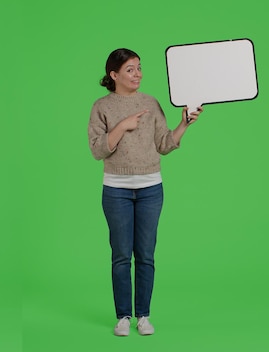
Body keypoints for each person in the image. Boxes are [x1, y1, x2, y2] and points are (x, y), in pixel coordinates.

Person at [88, 48, 202, 337]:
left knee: (146, 255)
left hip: (151, 188)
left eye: (139, 68)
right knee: (121, 255)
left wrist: (185, 122)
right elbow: (97, 149)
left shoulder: (151, 102)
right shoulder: (101, 106)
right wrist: (122, 126)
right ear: (114, 75)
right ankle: (123, 316)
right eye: (130, 69)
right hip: (116, 191)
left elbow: (164, 144)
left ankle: (144, 315)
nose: (137, 74)